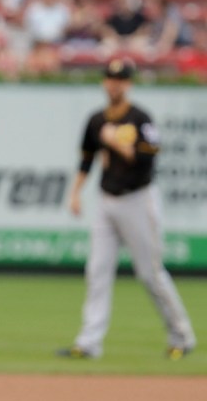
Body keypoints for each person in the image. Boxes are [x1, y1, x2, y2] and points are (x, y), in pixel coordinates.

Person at [58, 58, 196, 361]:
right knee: (97, 271)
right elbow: (87, 159)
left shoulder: (140, 118)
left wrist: (117, 143)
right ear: (104, 82)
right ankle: (89, 343)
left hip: (138, 199)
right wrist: (76, 193)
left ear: (128, 84)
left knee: (150, 273)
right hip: (107, 201)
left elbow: (148, 159)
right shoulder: (96, 120)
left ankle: (182, 336)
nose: (114, 83)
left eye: (120, 79)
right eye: (110, 78)